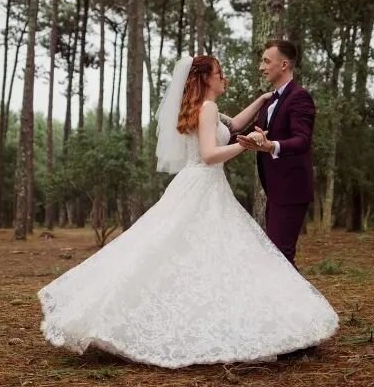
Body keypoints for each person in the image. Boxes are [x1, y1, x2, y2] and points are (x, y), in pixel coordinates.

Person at [38, 55, 338, 368]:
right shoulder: (206, 109)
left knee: (174, 250)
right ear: (206, 79)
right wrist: (246, 146)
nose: (225, 78)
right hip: (204, 184)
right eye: (220, 74)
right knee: (180, 250)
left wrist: (261, 100)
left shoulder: (206, 108)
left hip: (200, 185)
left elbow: (233, 125)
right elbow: (210, 154)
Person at [236, 39, 315, 266]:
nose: (261, 67)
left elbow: (302, 140)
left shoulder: (300, 97)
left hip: (292, 190)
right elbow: (252, 135)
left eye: (266, 61)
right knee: (278, 257)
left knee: (281, 258)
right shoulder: (269, 102)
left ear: (284, 65)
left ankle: (299, 302)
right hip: (276, 190)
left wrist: (272, 146)